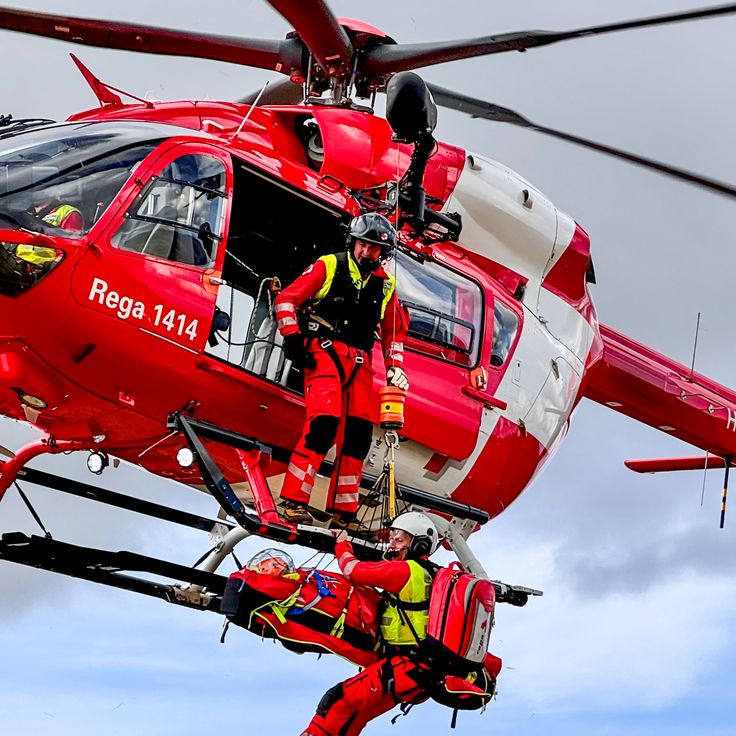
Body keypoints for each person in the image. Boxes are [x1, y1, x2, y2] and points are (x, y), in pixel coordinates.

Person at [273, 213, 409, 526]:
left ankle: (344, 513)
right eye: (364, 244)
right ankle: (293, 500)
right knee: (323, 426)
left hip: (361, 363)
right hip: (324, 353)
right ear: (353, 242)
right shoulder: (329, 265)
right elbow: (286, 300)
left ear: (381, 253)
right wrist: (292, 338)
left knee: (359, 438)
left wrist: (395, 369)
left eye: (374, 248)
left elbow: (393, 335)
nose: (368, 252)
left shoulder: (386, 284)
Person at [300, 511, 440, 736]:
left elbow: (352, 571)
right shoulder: (433, 574)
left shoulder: (405, 570)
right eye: (392, 537)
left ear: (419, 545)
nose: (392, 543)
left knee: (337, 701)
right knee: (355, 714)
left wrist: (342, 544)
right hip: (419, 673)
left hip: (408, 668)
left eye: (400, 539)